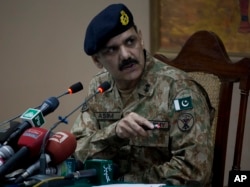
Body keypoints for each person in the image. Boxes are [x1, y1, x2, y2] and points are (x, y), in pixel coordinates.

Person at [71, 3, 214, 186]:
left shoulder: (178, 89)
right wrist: (114, 133)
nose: (126, 55)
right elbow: (77, 152)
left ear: (141, 38)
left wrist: (124, 182)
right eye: (112, 50)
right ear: (97, 60)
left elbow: (195, 170)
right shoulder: (99, 88)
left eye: (130, 42)